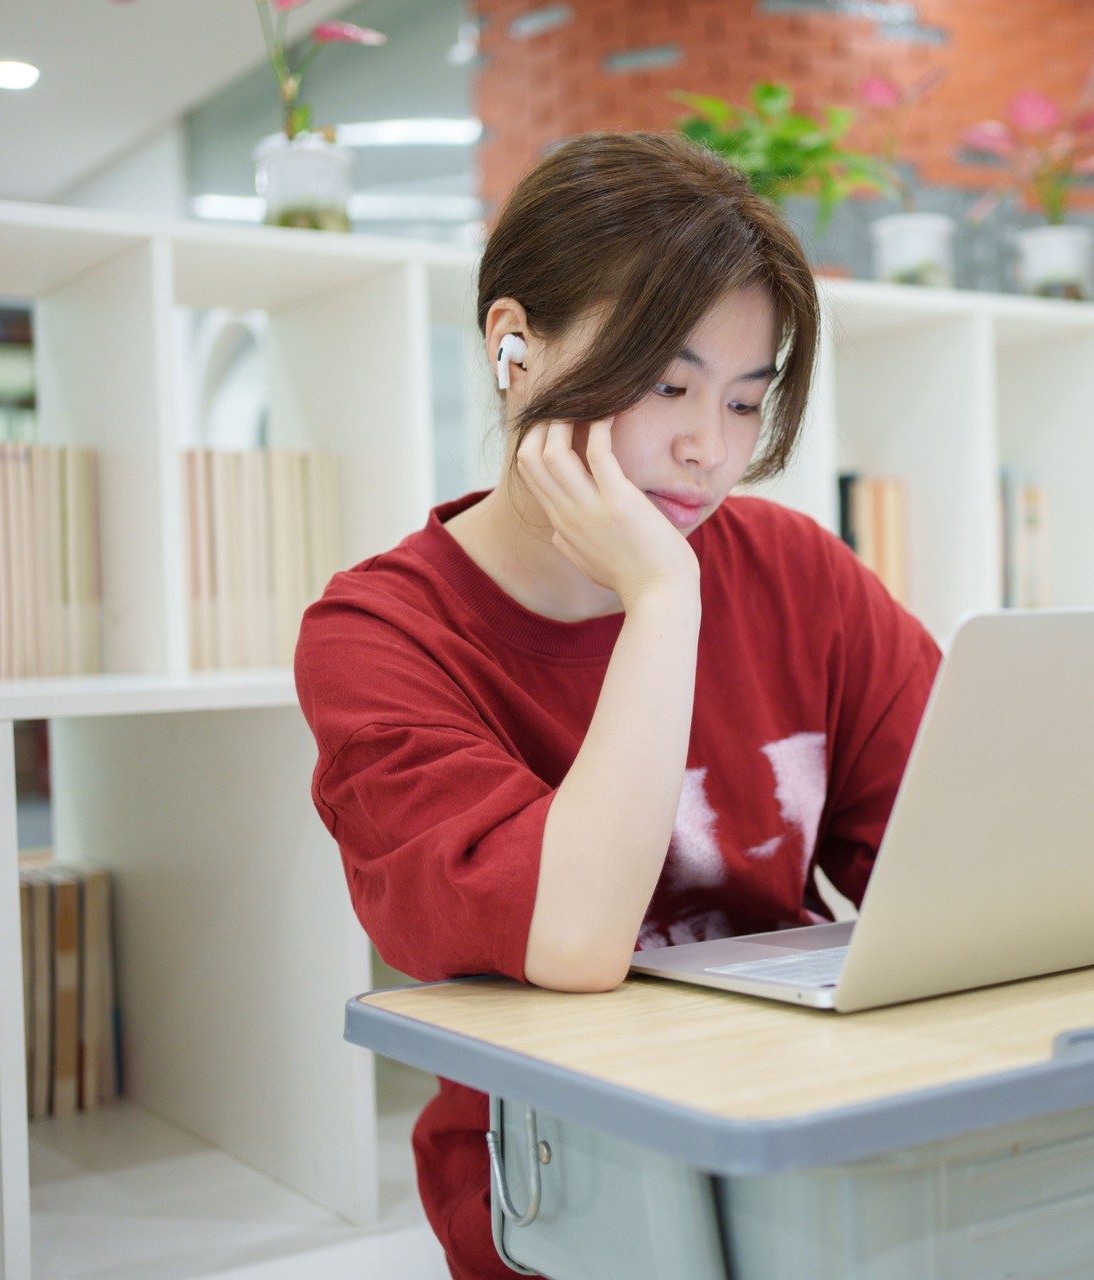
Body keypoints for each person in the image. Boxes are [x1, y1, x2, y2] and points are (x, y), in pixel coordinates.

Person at [293, 130, 941, 1278]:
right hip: (566, 1185)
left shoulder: (799, 569)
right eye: (666, 383)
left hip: (813, 1138)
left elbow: (958, 860)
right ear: (513, 349)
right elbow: (575, 937)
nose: (708, 451)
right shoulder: (380, 636)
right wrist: (661, 597)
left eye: (747, 401)